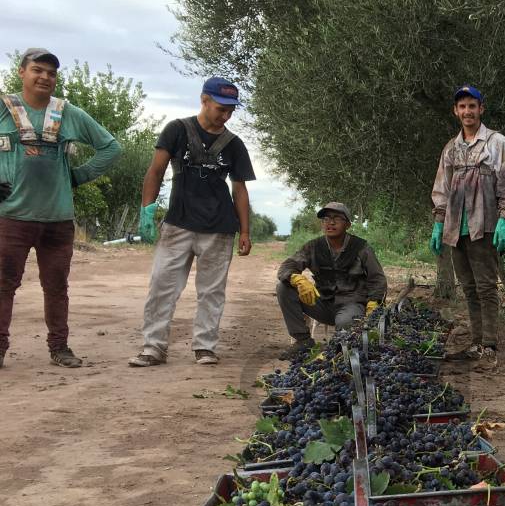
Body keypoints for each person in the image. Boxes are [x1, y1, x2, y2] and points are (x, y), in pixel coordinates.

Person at [0, 47, 122, 369]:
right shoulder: (4, 108)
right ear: (21, 72)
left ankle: (60, 348)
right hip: (10, 216)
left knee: (56, 286)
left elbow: (111, 147)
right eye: (37, 70)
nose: (45, 77)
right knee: (3, 285)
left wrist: (78, 177)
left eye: (51, 73)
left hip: (58, 219)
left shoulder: (67, 112)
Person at [129, 77, 255, 367]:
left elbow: (240, 189)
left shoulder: (234, 145)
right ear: (204, 100)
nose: (226, 115)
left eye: (231, 111)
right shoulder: (177, 130)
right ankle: (153, 347)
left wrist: (245, 231)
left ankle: (205, 347)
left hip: (219, 228)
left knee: (212, 291)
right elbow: (156, 170)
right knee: (162, 286)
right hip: (178, 224)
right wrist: (147, 211)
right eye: (221, 108)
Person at [429, 84, 505, 370]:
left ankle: (490, 348)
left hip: (484, 225)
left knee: (486, 288)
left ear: (481, 109)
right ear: (456, 111)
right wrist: (438, 224)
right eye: (462, 106)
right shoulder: (450, 149)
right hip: (456, 228)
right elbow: (441, 188)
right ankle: (476, 344)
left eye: (472, 106)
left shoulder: (496, 142)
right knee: (468, 288)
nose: (468, 111)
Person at [275, 202, 388, 359]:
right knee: (283, 287)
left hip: (351, 306)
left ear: (347, 224)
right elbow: (287, 266)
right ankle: (303, 341)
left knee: (344, 331)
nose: (331, 222)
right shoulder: (314, 246)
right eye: (326, 219)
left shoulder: (361, 248)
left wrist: (374, 302)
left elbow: (377, 279)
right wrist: (298, 279)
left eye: (337, 218)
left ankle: (340, 348)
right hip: (322, 304)